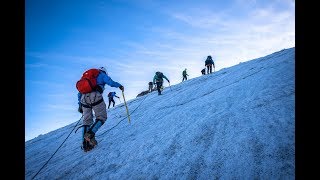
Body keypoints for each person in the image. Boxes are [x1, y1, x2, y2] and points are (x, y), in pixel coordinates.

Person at [77, 66, 124, 152]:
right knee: (101, 117)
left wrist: (80, 104)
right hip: (95, 95)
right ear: (104, 72)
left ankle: (86, 145)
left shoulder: (87, 77)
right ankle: (90, 135)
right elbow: (111, 82)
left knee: (87, 121)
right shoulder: (102, 74)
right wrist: (119, 85)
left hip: (84, 98)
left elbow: (79, 92)